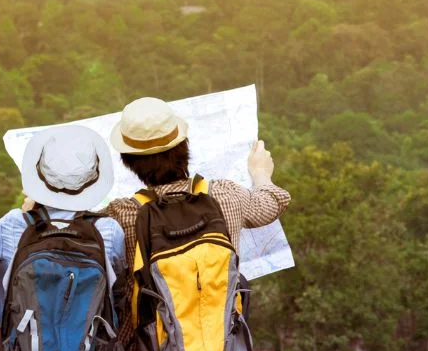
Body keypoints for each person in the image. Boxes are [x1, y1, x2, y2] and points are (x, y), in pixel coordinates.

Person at [0, 123, 126, 351]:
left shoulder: (16, 223)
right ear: (91, 182)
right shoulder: (108, 230)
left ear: (40, 180)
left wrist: (27, 215)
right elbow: (119, 277)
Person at [100, 95, 289, 250]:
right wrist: (261, 173)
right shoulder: (224, 194)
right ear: (184, 145)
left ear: (128, 162)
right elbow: (274, 202)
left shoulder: (119, 217)